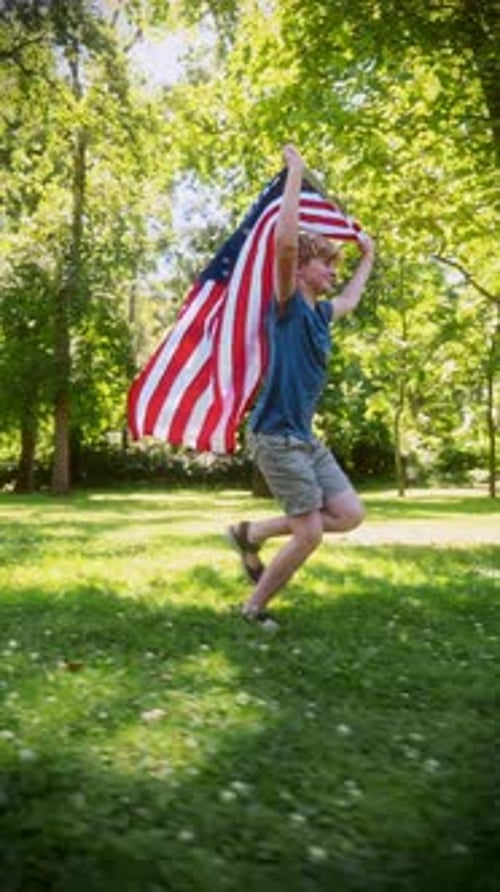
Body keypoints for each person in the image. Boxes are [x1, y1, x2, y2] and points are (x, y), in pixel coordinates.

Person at [228, 145, 375, 628]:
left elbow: (351, 297)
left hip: (304, 438)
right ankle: (252, 609)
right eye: (326, 264)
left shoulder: (321, 316)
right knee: (309, 533)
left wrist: (367, 257)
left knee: (350, 514)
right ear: (301, 270)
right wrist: (296, 175)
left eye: (335, 266)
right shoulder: (287, 305)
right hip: (274, 434)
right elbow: (285, 241)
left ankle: (252, 533)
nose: (333, 272)